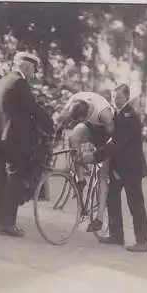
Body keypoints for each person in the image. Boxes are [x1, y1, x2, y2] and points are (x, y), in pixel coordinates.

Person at [0, 51, 54, 237]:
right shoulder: (19, 83)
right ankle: (9, 224)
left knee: (1, 181)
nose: (33, 75)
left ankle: (1, 222)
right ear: (26, 67)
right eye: (33, 70)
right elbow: (33, 108)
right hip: (12, 141)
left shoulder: (3, 81)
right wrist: (50, 122)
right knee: (13, 181)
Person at [92, 84, 147, 252]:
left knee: (135, 204)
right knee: (112, 198)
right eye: (114, 98)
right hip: (118, 167)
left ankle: (142, 241)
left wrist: (95, 156)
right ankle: (116, 235)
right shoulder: (117, 115)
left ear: (126, 97)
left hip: (131, 168)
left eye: (118, 98)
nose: (115, 101)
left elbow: (117, 142)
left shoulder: (130, 116)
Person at [53, 91, 115, 233]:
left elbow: (114, 139)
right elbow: (60, 119)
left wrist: (97, 156)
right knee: (73, 138)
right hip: (90, 126)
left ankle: (99, 219)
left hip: (105, 132)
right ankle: (80, 180)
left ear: (88, 113)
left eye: (83, 118)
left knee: (103, 174)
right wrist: (54, 133)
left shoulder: (104, 113)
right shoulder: (74, 100)